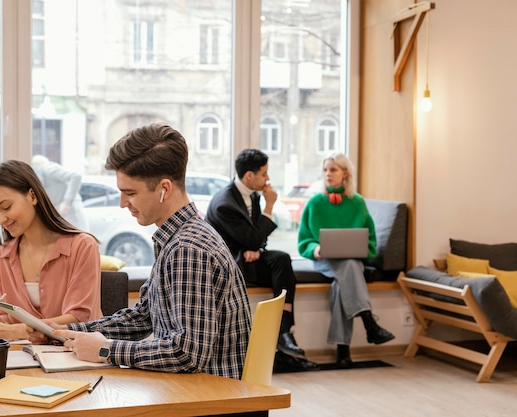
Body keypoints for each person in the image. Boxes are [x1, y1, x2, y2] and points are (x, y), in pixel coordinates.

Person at [53, 123, 252, 380]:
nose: (123, 203)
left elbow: (186, 354)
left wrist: (105, 349)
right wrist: (66, 330)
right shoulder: (179, 238)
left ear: (164, 189)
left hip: (206, 397)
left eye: (130, 193)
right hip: (191, 388)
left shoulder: (188, 249)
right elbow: (143, 318)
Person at [205, 149, 319, 371]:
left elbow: (256, 238)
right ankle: (283, 335)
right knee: (280, 264)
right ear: (249, 176)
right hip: (230, 264)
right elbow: (252, 236)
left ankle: (284, 331)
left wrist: (255, 247)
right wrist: (269, 206)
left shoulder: (252, 194)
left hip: (247, 256)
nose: (268, 179)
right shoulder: (225, 203)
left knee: (282, 260)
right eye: (264, 174)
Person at [0, 160, 102, 343]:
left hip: (76, 354)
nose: (0, 219)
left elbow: (80, 317)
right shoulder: (4, 254)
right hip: (25, 358)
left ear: (32, 196)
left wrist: (20, 331)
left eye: (6, 207)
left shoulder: (82, 246)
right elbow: (3, 312)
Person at [297, 152, 394, 368]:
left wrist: (361, 249)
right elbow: (304, 241)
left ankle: (344, 352)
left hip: (350, 260)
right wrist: (316, 249)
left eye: (333, 170)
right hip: (324, 261)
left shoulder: (357, 202)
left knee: (344, 279)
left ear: (345, 173)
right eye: (325, 170)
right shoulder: (314, 203)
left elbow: (370, 239)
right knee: (349, 269)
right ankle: (369, 323)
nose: (327, 174)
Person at [31, 155, 89, 232]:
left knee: (79, 238)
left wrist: (67, 202)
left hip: (70, 210)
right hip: (61, 212)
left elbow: (76, 177)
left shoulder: (48, 168)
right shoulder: (40, 177)